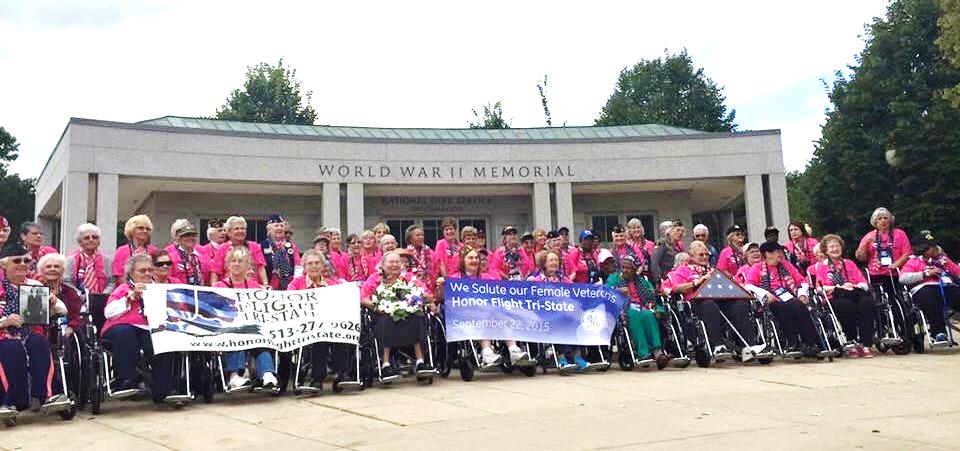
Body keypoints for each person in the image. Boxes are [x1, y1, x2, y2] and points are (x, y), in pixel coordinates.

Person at [0, 243, 71, 416]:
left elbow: (63, 310)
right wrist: (4, 321)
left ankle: (45, 396)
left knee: (39, 343)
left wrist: (54, 302)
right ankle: (11, 402)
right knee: (13, 348)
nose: (23, 264)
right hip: (4, 336)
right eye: (17, 260)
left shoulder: (34, 285)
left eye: (27, 260)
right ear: (4, 264)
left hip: (31, 332)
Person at [667, 241, 760, 356]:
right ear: (691, 256)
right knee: (709, 305)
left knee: (741, 304)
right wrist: (697, 282)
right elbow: (676, 288)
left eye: (707, 255)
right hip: (697, 302)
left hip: (720, 299)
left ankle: (748, 348)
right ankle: (718, 346)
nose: (705, 257)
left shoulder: (712, 269)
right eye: (701, 255)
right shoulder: (683, 270)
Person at [101, 253, 174, 399]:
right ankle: (126, 380)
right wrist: (130, 297)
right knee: (125, 333)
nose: (147, 273)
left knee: (163, 339)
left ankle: (163, 389)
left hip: (149, 328)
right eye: (142, 271)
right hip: (120, 327)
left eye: (149, 270)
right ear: (131, 273)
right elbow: (108, 312)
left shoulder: (159, 290)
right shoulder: (123, 288)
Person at [447, 246, 529, 367]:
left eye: (476, 258)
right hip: (464, 315)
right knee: (486, 312)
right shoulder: (455, 279)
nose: (474, 260)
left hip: (490, 313)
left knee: (503, 312)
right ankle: (486, 352)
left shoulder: (487, 278)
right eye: (470, 258)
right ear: (463, 260)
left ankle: (513, 349)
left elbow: (500, 294)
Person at [361, 251, 435, 381]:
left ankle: (420, 362)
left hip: (408, 313)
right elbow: (363, 298)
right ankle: (385, 365)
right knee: (386, 320)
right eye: (391, 262)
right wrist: (377, 306)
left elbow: (428, 295)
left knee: (418, 316)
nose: (394, 265)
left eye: (397, 262)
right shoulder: (375, 279)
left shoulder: (409, 278)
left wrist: (417, 298)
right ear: (383, 265)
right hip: (383, 315)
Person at [287, 250, 352, 391]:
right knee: (319, 338)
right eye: (310, 263)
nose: (314, 266)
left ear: (323, 266)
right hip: (306, 326)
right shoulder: (296, 284)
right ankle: (317, 378)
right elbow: (290, 303)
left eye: (317, 263)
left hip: (331, 324)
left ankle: (341, 375)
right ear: (304, 267)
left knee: (340, 335)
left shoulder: (333, 284)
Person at [214, 247, 278, 390]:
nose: (236, 264)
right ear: (228, 264)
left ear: (248, 265)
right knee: (237, 335)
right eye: (233, 261)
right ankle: (234, 376)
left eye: (241, 261)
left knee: (261, 339)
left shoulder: (255, 288)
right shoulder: (219, 287)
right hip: (228, 330)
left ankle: (267, 374)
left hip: (252, 330)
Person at [745, 242, 819, 356]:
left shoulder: (786, 265)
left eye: (780, 251)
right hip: (771, 299)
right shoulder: (757, 267)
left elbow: (801, 281)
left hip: (789, 296)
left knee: (799, 306)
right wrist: (765, 293)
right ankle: (793, 342)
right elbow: (749, 285)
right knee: (782, 308)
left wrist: (802, 294)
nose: (780, 254)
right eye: (776, 252)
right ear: (767, 254)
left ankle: (810, 343)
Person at [814, 234, 875, 358]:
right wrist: (838, 287)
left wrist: (852, 285)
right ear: (825, 250)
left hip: (853, 291)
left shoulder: (849, 263)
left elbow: (864, 283)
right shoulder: (822, 266)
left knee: (867, 303)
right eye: (831, 247)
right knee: (846, 306)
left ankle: (866, 343)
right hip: (835, 296)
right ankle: (852, 342)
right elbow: (820, 288)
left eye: (837, 246)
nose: (835, 249)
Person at [528, 250, 587, 372]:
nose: (554, 262)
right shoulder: (538, 279)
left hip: (564, 312)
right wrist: (529, 282)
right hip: (545, 315)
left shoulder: (563, 279)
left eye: (556, 260)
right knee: (560, 321)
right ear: (544, 263)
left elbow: (576, 290)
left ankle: (577, 357)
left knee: (578, 318)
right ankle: (561, 357)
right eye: (551, 260)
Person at [899, 232, 960, 345]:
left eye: (935, 245)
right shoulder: (914, 261)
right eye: (932, 246)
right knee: (930, 296)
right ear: (923, 249)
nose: (935, 248)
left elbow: (957, 271)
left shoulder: (944, 260)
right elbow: (903, 278)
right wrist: (925, 274)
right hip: (925, 289)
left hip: (946, 287)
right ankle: (939, 333)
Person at [606, 255, 666, 367]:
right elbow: (605, 292)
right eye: (623, 267)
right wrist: (618, 290)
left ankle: (657, 352)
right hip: (624, 310)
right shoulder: (614, 278)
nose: (625, 270)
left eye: (628, 268)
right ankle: (643, 353)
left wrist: (654, 306)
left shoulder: (642, 282)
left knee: (648, 314)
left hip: (643, 308)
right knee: (634, 314)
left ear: (634, 269)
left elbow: (653, 296)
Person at [855, 207, 911, 296]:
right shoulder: (869, 236)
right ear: (875, 222)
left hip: (896, 272)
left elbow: (907, 253)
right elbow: (861, 258)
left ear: (890, 220)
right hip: (876, 274)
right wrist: (865, 244)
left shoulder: (899, 234)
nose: (883, 221)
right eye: (879, 218)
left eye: (885, 218)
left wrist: (895, 265)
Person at [209, 216, 268, 286]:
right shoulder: (223, 248)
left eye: (242, 228)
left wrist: (265, 283)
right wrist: (213, 287)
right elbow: (215, 271)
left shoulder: (255, 246)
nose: (240, 231)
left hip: (252, 288)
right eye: (236, 229)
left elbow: (260, 267)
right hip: (229, 288)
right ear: (229, 232)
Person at [38, 253, 84, 339]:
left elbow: (76, 316)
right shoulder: (35, 289)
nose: (52, 269)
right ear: (41, 271)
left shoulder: (70, 292)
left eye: (56, 266)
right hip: (40, 329)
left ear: (62, 271)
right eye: (48, 266)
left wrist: (71, 327)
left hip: (64, 329)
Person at [65, 223, 112, 295]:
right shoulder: (70, 260)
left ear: (99, 241)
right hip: (77, 300)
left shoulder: (108, 260)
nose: (91, 240)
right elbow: (66, 282)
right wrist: (80, 295)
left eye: (94, 237)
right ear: (79, 241)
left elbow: (112, 282)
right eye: (86, 238)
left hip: (102, 300)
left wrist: (102, 296)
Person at [111, 215, 157, 285]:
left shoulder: (154, 250)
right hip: (127, 290)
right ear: (132, 230)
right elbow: (119, 277)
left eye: (148, 229)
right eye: (141, 228)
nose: (145, 231)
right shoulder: (121, 251)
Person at [261, 214, 301, 290]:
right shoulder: (261, 247)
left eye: (282, 226)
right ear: (269, 230)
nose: (279, 228)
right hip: (269, 286)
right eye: (276, 226)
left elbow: (298, 266)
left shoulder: (291, 246)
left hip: (289, 286)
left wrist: (296, 283)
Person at [166, 220, 210, 286]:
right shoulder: (171, 257)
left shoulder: (203, 256)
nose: (190, 238)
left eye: (193, 235)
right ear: (178, 238)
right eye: (186, 235)